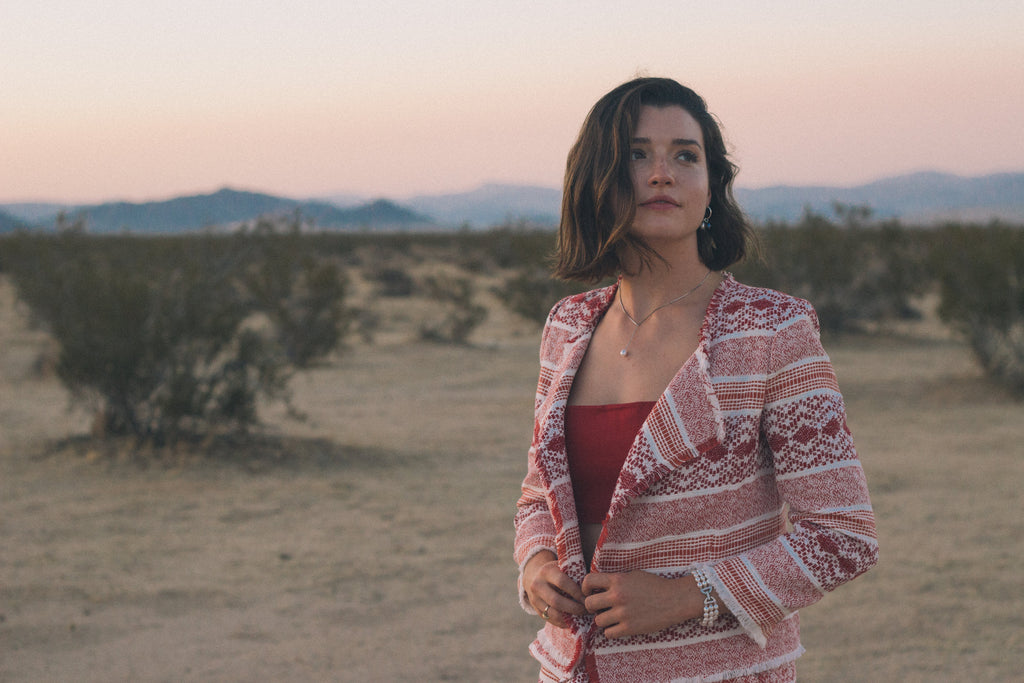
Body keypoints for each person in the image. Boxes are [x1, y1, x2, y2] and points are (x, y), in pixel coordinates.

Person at [513, 77, 878, 682]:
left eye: (686, 155)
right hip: (577, 670)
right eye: (637, 154)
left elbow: (841, 535)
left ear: (712, 186)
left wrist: (688, 596)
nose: (663, 173)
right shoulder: (567, 326)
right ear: (596, 180)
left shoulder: (770, 329)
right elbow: (538, 496)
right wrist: (536, 566)